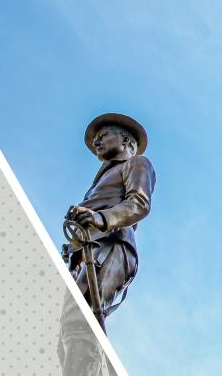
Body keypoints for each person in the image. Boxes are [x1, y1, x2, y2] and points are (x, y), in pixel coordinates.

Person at [57, 113, 155, 372]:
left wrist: (100, 218)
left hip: (111, 245)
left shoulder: (136, 164)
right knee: (67, 332)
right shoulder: (102, 177)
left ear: (125, 140)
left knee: (80, 321)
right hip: (85, 250)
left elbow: (139, 204)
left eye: (103, 137)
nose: (97, 143)